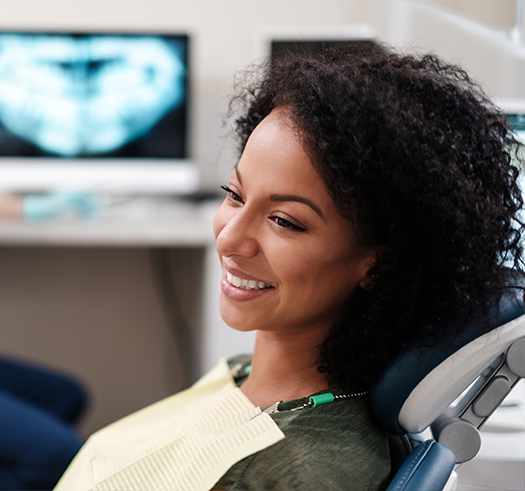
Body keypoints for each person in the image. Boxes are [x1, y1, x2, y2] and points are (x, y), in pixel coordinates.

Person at [54, 44, 524, 491]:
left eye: (284, 221)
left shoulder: (293, 472)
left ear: (380, 262)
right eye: (235, 194)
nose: (229, 236)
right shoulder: (245, 374)